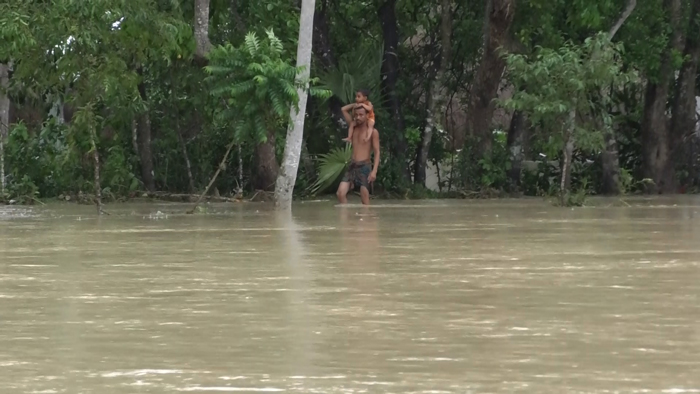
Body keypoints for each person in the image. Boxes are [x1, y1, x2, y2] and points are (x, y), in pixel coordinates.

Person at [336, 105, 380, 205]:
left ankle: (367, 218)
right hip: (352, 165)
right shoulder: (354, 128)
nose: (358, 117)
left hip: (365, 166)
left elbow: (377, 152)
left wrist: (374, 171)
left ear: (367, 115)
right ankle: (346, 218)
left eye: (361, 115)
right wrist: (357, 104)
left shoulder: (373, 132)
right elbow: (343, 109)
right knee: (340, 193)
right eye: (356, 115)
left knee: (364, 198)